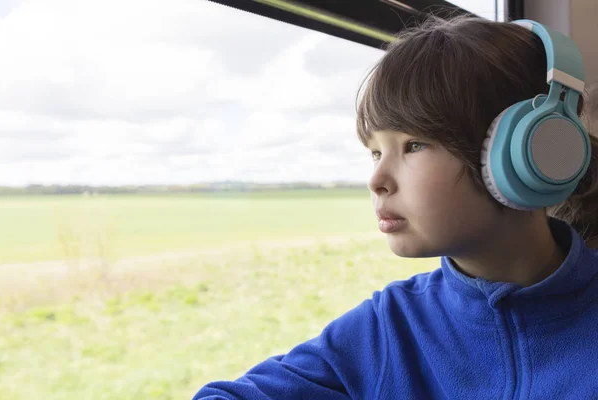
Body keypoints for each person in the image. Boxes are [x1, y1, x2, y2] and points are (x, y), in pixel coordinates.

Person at [193, 15, 598, 399]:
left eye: (413, 145)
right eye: (374, 153)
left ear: (537, 152)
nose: (376, 180)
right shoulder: (389, 327)